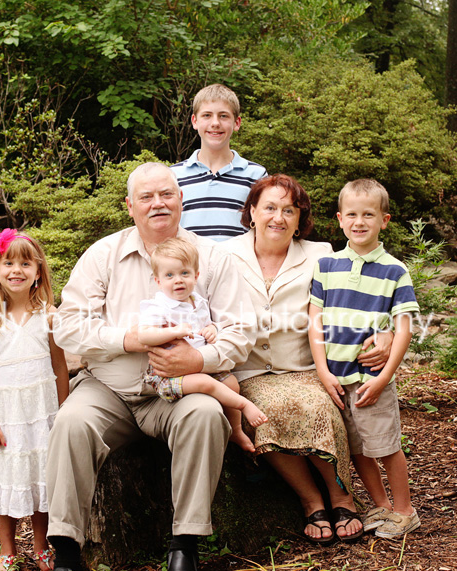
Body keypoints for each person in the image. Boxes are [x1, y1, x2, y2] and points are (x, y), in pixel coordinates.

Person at [46, 162, 256, 571]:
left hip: (180, 390)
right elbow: (68, 326)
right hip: (109, 389)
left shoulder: (213, 258)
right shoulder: (103, 255)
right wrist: (126, 340)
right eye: (146, 197)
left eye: (166, 194)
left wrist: (200, 359)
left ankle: (185, 544)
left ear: (180, 200)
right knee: (71, 422)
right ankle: (67, 551)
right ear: (130, 205)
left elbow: (240, 330)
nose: (157, 204)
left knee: (206, 414)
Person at [221, 174, 392, 545]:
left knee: (319, 407)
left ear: (301, 219)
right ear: (252, 212)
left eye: (289, 210)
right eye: (269, 207)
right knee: (266, 412)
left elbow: (358, 301)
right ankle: (311, 500)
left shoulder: (321, 255)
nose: (278, 217)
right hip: (248, 370)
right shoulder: (222, 255)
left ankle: (342, 497)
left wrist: (385, 333)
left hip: (305, 367)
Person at [308, 178, 421, 539]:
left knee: (385, 446)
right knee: (357, 450)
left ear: (384, 220)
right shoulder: (326, 266)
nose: (359, 222)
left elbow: (403, 329)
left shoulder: (394, 271)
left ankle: (404, 511)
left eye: (368, 214)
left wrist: (384, 376)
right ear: (340, 219)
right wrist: (323, 371)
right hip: (336, 379)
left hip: (370, 379)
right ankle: (382, 507)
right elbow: (315, 323)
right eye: (352, 214)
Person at [0, 229, 70, 571]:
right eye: (8, 262)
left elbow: (60, 368)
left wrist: (63, 414)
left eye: (25, 263)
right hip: (6, 416)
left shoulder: (50, 317)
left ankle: (42, 547)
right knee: (7, 480)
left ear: (38, 271)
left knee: (41, 481)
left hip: (43, 414)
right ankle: (7, 550)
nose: (17, 269)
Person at [139, 236, 268, 452]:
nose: (178, 280)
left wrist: (213, 329)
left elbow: (207, 324)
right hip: (168, 375)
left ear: (196, 276)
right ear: (158, 281)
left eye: (184, 273)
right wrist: (173, 331)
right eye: (169, 275)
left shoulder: (197, 302)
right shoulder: (158, 307)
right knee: (206, 384)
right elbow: (144, 336)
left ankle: (235, 430)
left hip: (199, 365)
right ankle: (245, 405)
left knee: (231, 383)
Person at [171, 84, 266, 241]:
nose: (215, 123)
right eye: (207, 115)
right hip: (188, 264)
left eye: (223, 116)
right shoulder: (173, 176)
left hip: (237, 263)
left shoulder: (256, 175)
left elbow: (263, 227)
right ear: (194, 121)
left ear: (237, 123)